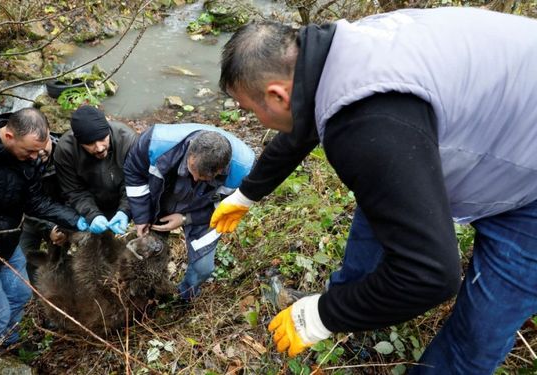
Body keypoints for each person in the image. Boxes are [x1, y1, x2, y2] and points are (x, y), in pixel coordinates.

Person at [210, 8, 537, 374]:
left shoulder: (368, 126)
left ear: (276, 94)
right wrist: (246, 194)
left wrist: (323, 315)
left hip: (528, 180)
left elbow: (430, 275)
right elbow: (302, 123)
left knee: (479, 329)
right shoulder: (336, 51)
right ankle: (360, 310)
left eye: (251, 110)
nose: (257, 120)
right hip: (502, 123)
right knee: (379, 192)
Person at [0, 107, 88, 354]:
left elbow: (35, 201)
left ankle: (9, 342)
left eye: (39, 151)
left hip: (9, 242)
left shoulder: (29, 161)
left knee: (21, 295)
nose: (35, 157)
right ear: (9, 136)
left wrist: (77, 220)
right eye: (30, 150)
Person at [124, 124, 255, 301]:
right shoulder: (154, 143)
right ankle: (152, 289)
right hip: (165, 195)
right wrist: (141, 217)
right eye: (192, 171)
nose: (194, 179)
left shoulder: (244, 173)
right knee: (150, 247)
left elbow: (226, 212)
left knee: (203, 268)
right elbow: (134, 173)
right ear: (190, 151)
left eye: (202, 178)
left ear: (220, 170)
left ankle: (184, 296)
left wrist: (186, 218)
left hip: (205, 210)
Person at [54, 105, 138, 235]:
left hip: (122, 199)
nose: (99, 148)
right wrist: (92, 215)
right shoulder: (66, 150)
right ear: (79, 142)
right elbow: (74, 190)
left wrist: (125, 210)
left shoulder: (128, 140)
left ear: (108, 131)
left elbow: (134, 181)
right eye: (90, 143)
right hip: (88, 204)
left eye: (102, 138)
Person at [17, 133, 68, 283]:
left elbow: (75, 193)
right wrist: (47, 227)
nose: (39, 152)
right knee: (24, 257)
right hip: (29, 218)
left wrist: (62, 228)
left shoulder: (66, 155)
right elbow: (19, 202)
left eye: (43, 145)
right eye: (32, 148)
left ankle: (57, 290)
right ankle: (34, 291)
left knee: (59, 260)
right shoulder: (17, 160)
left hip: (61, 218)